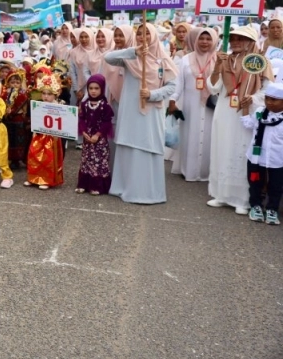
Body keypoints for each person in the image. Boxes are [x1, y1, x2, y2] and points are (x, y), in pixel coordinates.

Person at [105, 23, 178, 204]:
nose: (142, 37)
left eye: (147, 34)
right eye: (139, 34)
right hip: (130, 111)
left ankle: (147, 192)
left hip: (151, 112)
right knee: (129, 144)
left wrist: (153, 95)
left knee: (147, 145)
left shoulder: (163, 60)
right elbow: (108, 57)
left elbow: (172, 86)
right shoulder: (130, 57)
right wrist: (134, 52)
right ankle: (124, 188)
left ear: (154, 36)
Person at [207, 25, 272, 215]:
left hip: (247, 112)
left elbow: (268, 88)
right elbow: (213, 88)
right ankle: (221, 194)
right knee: (222, 147)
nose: (235, 42)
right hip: (225, 109)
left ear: (251, 42)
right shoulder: (225, 60)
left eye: (240, 39)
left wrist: (252, 98)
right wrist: (218, 67)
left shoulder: (261, 61)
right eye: (233, 38)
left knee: (242, 150)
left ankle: (243, 198)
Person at [168, 27, 217, 182]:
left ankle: (207, 173)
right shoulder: (186, 59)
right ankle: (189, 170)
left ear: (214, 40)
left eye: (209, 39)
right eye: (201, 39)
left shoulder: (220, 59)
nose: (204, 42)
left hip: (212, 106)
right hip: (190, 105)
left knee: (210, 136)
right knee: (190, 135)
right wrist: (172, 100)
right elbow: (178, 83)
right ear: (196, 40)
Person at [242, 82, 283, 225]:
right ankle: (256, 206)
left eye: (274, 100)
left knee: (276, 186)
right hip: (256, 157)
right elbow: (248, 124)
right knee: (255, 183)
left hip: (278, 159)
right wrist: (245, 108)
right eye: (267, 99)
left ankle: (272, 209)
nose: (269, 103)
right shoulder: (260, 112)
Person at [24, 74, 66, 190]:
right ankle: (34, 178)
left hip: (51, 136)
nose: (46, 96)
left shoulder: (58, 106)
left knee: (48, 158)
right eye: (44, 93)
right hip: (39, 135)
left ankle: (47, 180)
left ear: (55, 94)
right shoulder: (38, 105)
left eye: (49, 94)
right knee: (34, 155)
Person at [76, 74, 114, 195]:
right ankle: (83, 184)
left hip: (99, 139)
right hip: (88, 138)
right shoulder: (85, 104)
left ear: (102, 89)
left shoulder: (105, 106)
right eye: (90, 88)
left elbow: (107, 122)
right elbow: (81, 119)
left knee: (98, 162)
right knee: (86, 160)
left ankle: (97, 186)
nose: (93, 91)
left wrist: (98, 134)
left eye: (96, 88)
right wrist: (83, 132)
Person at [2, 69, 30, 167]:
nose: (15, 85)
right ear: (8, 82)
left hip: (19, 120)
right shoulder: (4, 95)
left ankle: (18, 159)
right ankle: (9, 158)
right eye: (12, 82)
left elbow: (25, 109)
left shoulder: (23, 95)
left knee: (20, 140)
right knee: (9, 139)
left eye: (18, 83)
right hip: (8, 120)